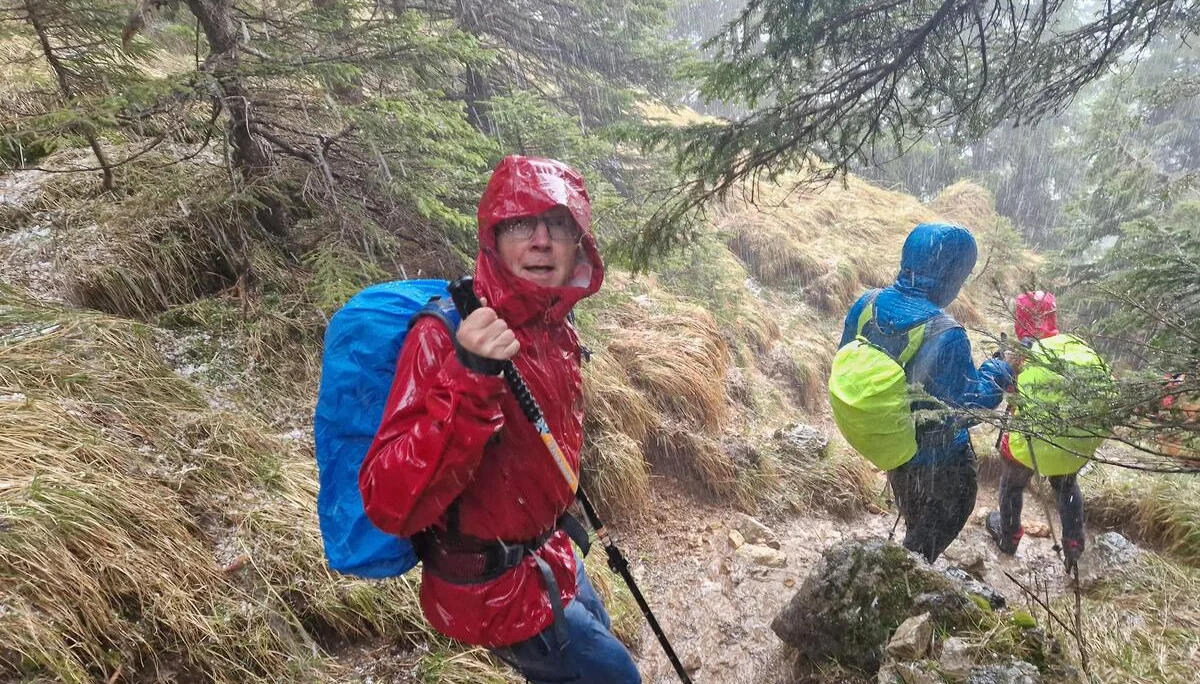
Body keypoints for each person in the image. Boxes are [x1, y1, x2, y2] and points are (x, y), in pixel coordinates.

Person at [358, 155, 640, 683]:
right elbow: (388, 502)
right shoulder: (445, 336)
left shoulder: (554, 322)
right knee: (618, 677)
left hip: (548, 550)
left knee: (596, 636)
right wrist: (470, 378)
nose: (541, 241)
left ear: (579, 241)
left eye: (558, 223)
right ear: (493, 239)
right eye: (519, 224)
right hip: (490, 586)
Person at [838, 222, 1012, 563]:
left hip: (895, 448)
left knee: (918, 522)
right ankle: (900, 578)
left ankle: (905, 565)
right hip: (943, 464)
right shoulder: (945, 333)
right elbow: (967, 406)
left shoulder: (866, 305)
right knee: (930, 537)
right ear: (951, 276)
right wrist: (1001, 369)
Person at [987, 291, 1106, 572]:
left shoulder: (1021, 354)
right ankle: (1074, 545)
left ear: (1020, 318)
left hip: (1028, 441)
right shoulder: (1076, 348)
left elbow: (1003, 389)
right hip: (1070, 440)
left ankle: (1010, 535)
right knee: (1066, 486)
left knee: (1012, 484)